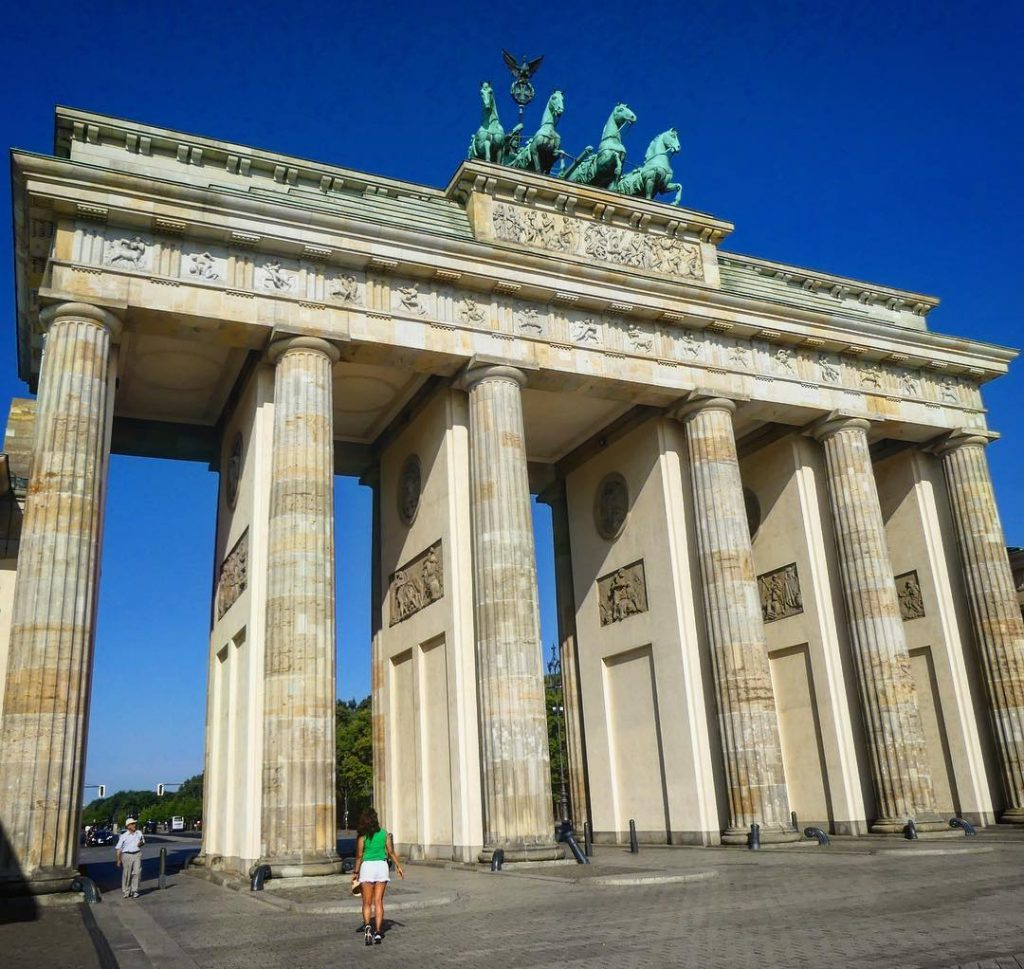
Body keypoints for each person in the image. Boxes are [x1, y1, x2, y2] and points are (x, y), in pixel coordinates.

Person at [351, 809, 404, 945]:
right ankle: (379, 932)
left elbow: (359, 856)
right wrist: (399, 866)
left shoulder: (363, 837)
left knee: (366, 902)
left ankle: (368, 926)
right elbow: (391, 852)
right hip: (381, 867)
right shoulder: (384, 834)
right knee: (379, 901)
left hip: (367, 867)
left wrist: (355, 872)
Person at [115, 817, 145, 899]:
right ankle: (126, 891)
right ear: (128, 826)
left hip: (137, 854)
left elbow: (143, 842)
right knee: (127, 874)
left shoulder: (139, 833)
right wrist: (118, 860)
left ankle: (134, 891)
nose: (134, 825)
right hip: (126, 855)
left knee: (137, 872)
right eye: (132, 824)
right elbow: (118, 849)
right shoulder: (123, 836)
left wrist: (141, 844)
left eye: (134, 823)